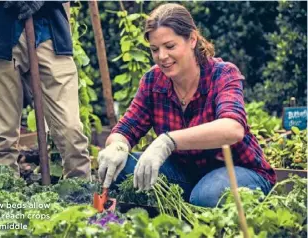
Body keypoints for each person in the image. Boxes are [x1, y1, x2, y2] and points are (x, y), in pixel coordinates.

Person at [98, 3, 276, 207]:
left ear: (192, 39)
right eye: (155, 49)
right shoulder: (153, 81)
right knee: (122, 166)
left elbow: (233, 128)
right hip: (184, 176)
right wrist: (117, 146)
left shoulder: (222, 74)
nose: (162, 56)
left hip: (239, 170)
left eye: (170, 46)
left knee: (207, 196)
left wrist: (168, 141)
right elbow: (126, 128)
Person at [0, 1, 91, 179]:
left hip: (49, 31)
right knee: (2, 140)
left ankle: (82, 200)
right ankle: (4, 202)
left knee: (71, 132)